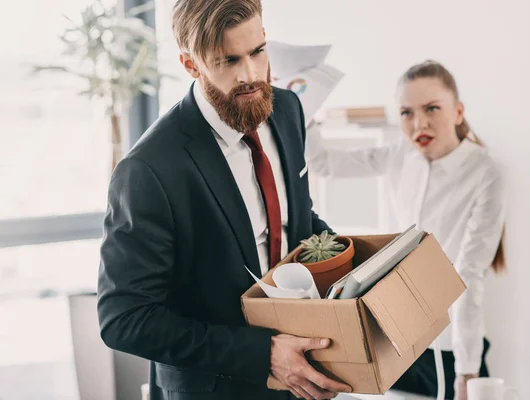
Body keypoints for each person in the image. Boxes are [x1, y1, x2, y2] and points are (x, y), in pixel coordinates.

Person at [96, 1, 353, 399]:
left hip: (304, 376)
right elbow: (125, 319)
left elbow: (295, 219)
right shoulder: (149, 169)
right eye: (228, 60)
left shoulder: (287, 109)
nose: (251, 75)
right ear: (191, 64)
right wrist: (263, 354)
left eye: (257, 52)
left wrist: (358, 270)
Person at [306, 60, 506, 400]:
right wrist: (306, 106)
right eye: (406, 113)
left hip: (453, 347)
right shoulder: (399, 155)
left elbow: (468, 273)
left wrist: (467, 372)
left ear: (458, 111)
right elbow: (324, 163)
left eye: (431, 109)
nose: (419, 124)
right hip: (398, 340)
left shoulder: (485, 170)